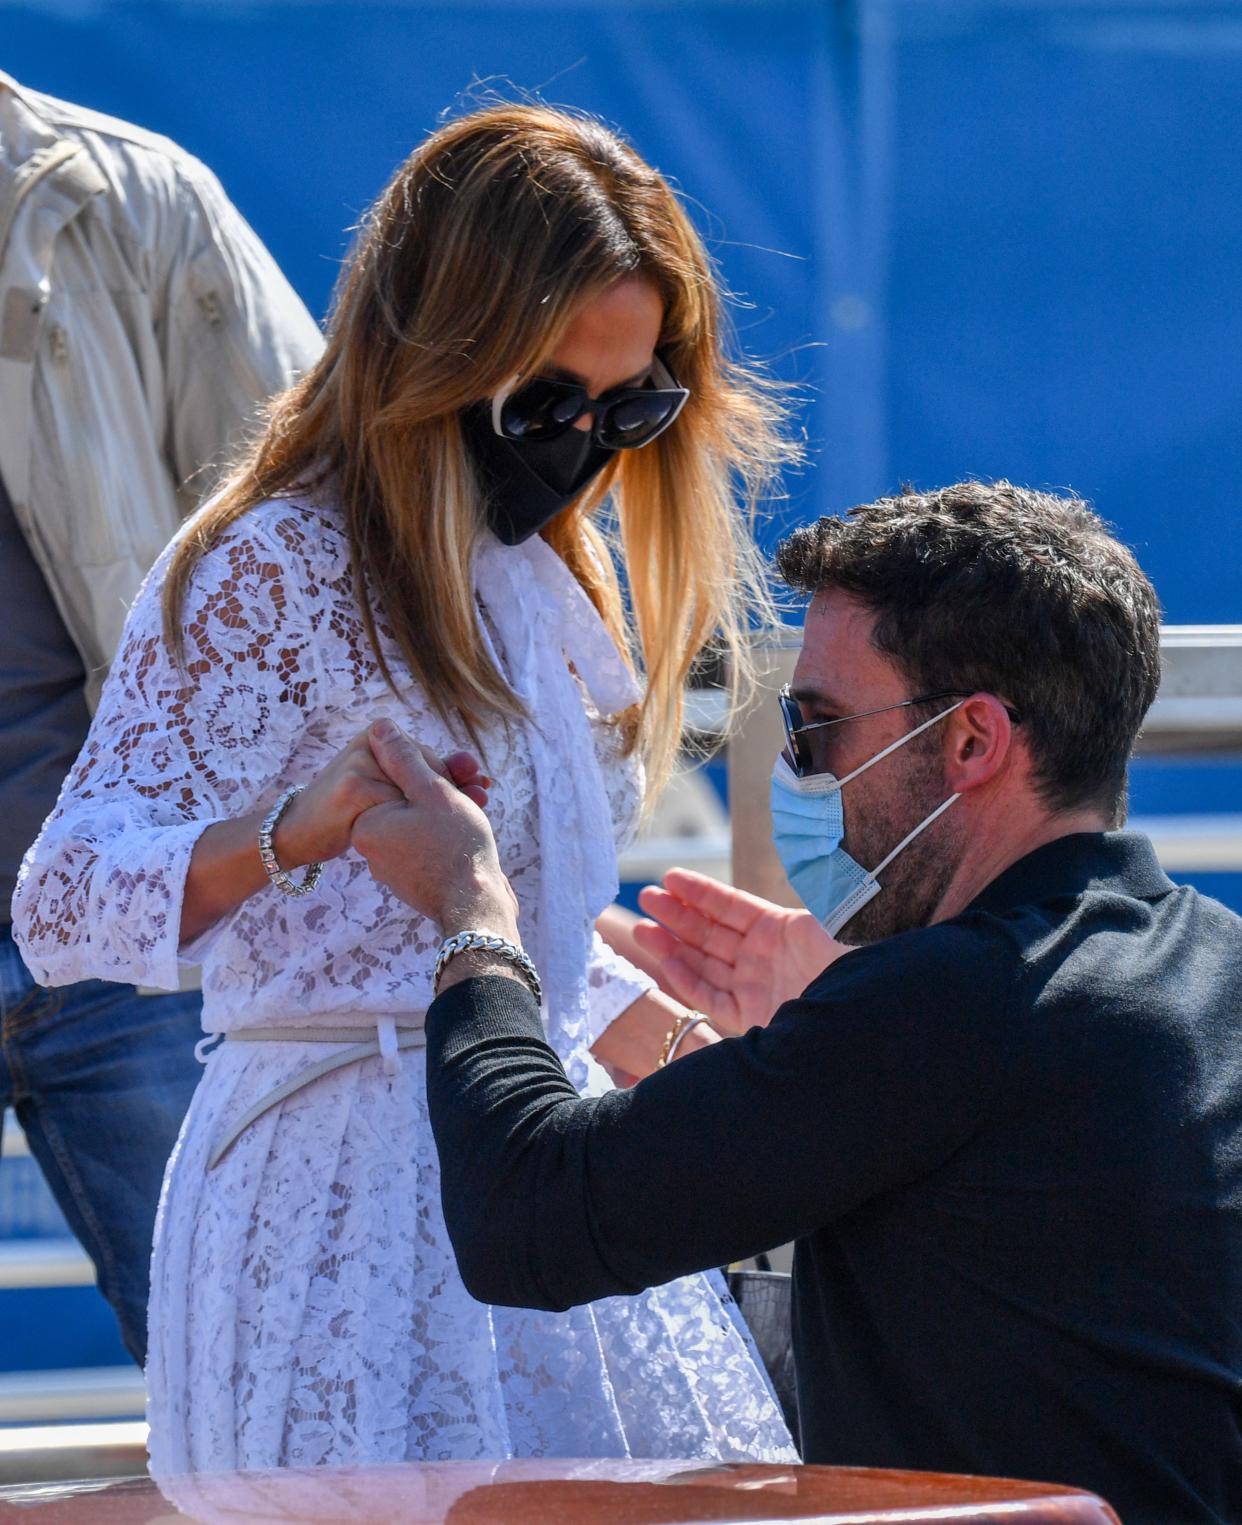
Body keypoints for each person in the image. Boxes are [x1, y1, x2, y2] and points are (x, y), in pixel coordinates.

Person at [13, 104, 798, 1469]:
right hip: (336, 1213)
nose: (589, 446)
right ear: (436, 356)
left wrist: (719, 1078)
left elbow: (518, 940)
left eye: (634, 406)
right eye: (547, 402)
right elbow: (64, 902)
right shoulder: (272, 566)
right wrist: (289, 832)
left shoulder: (547, 568)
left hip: (536, 1159)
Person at [356, 481, 1242, 1525]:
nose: (795, 771)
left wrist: (474, 913)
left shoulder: (943, 1008)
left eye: (820, 729)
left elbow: (526, 1216)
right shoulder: (1210, 962)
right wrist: (804, 1037)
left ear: (971, 742)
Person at [0, 68, 321, 1363]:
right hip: (143, 903)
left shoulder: (130, 202)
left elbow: (322, 521)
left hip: (137, 906)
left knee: (272, 1376)